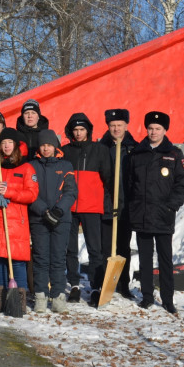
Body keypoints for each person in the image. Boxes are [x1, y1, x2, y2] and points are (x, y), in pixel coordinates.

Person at [127, 111, 184, 314]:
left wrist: (171, 206)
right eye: (150, 128)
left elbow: (182, 184)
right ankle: (146, 296)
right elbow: (129, 184)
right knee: (144, 259)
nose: (153, 132)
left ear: (165, 130)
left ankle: (168, 299)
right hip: (142, 215)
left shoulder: (174, 154)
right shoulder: (137, 153)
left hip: (163, 216)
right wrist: (132, 205)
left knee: (165, 259)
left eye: (157, 129)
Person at [0, 128, 38, 313]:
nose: (6, 146)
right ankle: (0, 298)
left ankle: (18, 300)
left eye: (9, 143)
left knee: (18, 260)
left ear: (16, 145)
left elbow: (32, 194)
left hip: (16, 221)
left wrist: (10, 192)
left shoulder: (26, 168)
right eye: (3, 143)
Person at [62, 113, 112, 306]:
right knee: (70, 248)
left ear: (88, 131)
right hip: (70, 206)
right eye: (75, 130)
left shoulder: (100, 150)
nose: (78, 133)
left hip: (92, 206)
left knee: (95, 249)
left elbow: (108, 179)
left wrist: (107, 205)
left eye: (82, 130)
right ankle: (74, 285)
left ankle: (96, 287)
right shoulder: (65, 151)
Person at [28, 129, 77, 313]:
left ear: (55, 146)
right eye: (43, 145)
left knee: (58, 258)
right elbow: (30, 192)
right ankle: (40, 297)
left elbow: (71, 191)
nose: (46, 148)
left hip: (61, 219)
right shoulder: (31, 166)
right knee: (40, 259)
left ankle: (57, 297)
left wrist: (57, 211)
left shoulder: (66, 166)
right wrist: (43, 210)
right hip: (39, 219)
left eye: (49, 145)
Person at [98, 108, 139, 299]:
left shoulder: (134, 149)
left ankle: (123, 284)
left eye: (119, 125)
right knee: (106, 248)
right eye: (112, 125)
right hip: (106, 206)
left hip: (125, 207)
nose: (116, 129)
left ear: (126, 126)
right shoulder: (101, 148)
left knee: (124, 248)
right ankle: (105, 284)